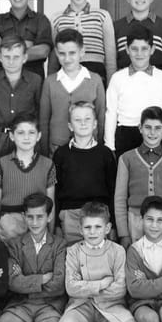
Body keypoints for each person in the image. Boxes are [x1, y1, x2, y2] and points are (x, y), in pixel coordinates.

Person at [57, 202, 142, 322]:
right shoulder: (73, 251)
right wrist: (102, 284)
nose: (93, 232)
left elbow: (120, 288)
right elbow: (71, 287)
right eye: (88, 227)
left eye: (98, 227)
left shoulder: (118, 251)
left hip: (111, 306)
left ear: (107, 228)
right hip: (82, 305)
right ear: (80, 229)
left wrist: (87, 287)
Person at [0, 193, 66, 322]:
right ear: (24, 217)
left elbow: (58, 284)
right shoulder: (14, 245)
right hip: (21, 304)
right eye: (30, 217)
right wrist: (42, 278)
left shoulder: (59, 244)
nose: (34, 222)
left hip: (49, 305)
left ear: (49, 216)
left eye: (40, 217)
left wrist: (26, 282)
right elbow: (12, 282)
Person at [115, 106, 162, 249]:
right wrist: (123, 234)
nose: (152, 133)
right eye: (148, 127)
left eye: (158, 128)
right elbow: (120, 198)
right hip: (136, 222)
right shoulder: (126, 159)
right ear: (140, 128)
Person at [105, 24, 162, 158]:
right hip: (125, 136)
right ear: (127, 49)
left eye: (144, 49)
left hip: (155, 135)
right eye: (134, 49)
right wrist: (110, 146)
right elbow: (111, 113)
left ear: (152, 49)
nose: (139, 54)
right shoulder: (118, 78)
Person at [52, 102, 116, 245]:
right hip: (70, 216)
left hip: (99, 214)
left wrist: (113, 225)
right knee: (72, 255)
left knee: (98, 255)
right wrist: (56, 224)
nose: (83, 123)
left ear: (95, 124)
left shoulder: (105, 154)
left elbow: (113, 191)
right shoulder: (61, 154)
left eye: (87, 119)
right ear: (70, 126)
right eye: (77, 120)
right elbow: (55, 191)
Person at [48, 0, 116, 86]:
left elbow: (111, 60)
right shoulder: (56, 19)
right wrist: (50, 86)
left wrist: (111, 88)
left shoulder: (102, 16)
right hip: (65, 80)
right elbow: (53, 60)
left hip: (96, 78)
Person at [39, 28, 106, 154]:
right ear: (56, 53)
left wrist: (100, 146)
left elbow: (101, 116)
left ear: (82, 51)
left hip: (88, 147)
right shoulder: (50, 82)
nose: (67, 59)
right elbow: (44, 120)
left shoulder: (95, 80)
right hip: (57, 147)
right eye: (62, 53)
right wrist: (44, 151)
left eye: (72, 53)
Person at [0, 114, 56, 241]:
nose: (26, 137)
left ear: (38, 136)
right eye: (20, 133)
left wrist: (51, 233)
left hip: (37, 219)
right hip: (10, 222)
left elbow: (51, 201)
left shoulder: (48, 164)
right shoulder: (1, 164)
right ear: (12, 136)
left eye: (31, 132)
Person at [0, 34, 42, 163]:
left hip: (26, 139)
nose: (11, 62)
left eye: (16, 57)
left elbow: (39, 111)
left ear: (25, 57)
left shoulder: (35, 80)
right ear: (0, 57)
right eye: (7, 57)